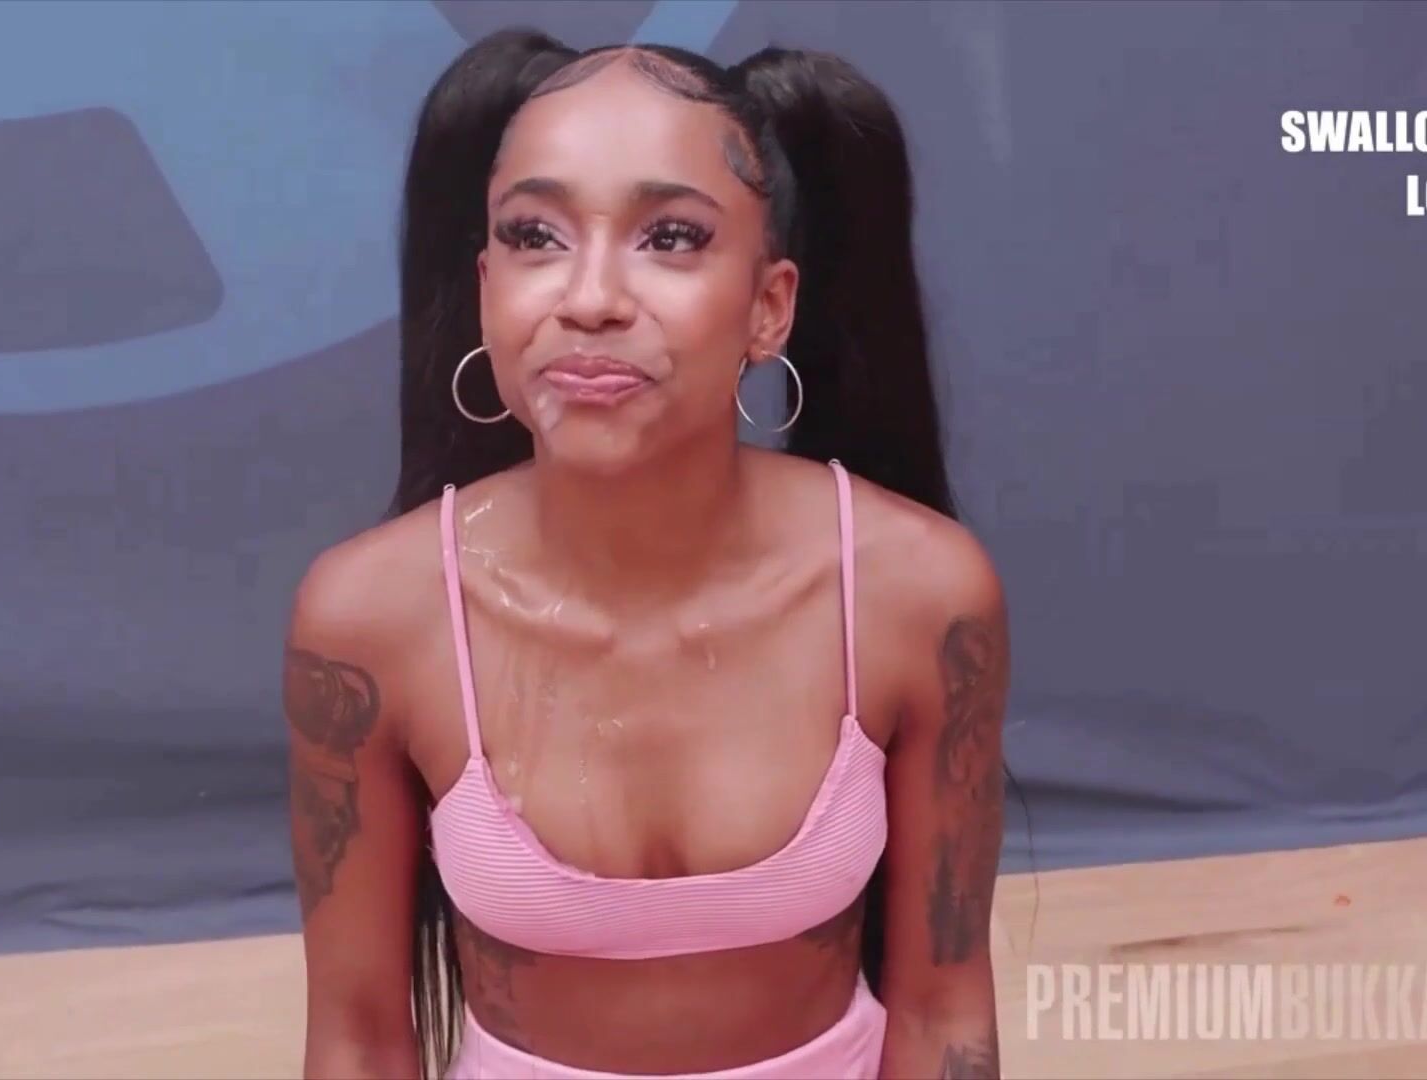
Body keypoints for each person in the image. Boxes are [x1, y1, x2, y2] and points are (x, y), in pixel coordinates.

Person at [283, 26, 1009, 1080]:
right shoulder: (369, 619)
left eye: (669, 237)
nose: (589, 299)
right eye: (536, 235)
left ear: (770, 305)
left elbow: (945, 1012)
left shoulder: (918, 593)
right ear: (486, 286)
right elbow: (356, 1038)